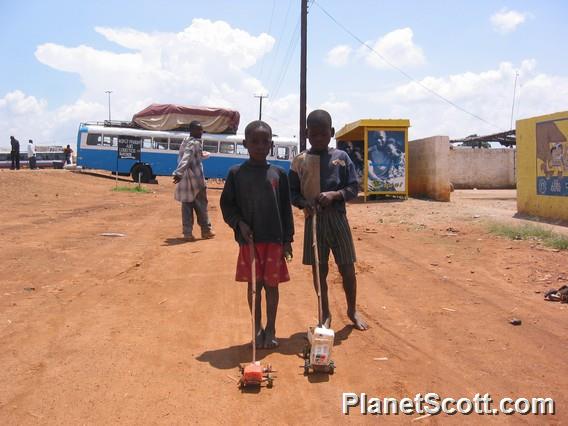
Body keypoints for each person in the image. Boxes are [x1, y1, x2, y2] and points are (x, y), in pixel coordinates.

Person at [289, 109, 368, 331]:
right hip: (313, 222)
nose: (318, 139)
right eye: (313, 135)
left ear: (331, 133)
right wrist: (304, 203)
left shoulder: (341, 158)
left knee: (347, 268)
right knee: (319, 270)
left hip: (338, 220)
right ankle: (325, 314)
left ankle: (352, 310)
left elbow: (353, 187)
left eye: (323, 134)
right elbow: (292, 193)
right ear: (306, 134)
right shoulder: (299, 161)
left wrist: (335, 195)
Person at [220, 120, 294, 349]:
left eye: (265, 142)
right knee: (255, 286)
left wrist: (287, 241)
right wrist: (238, 223)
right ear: (245, 144)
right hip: (249, 241)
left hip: (273, 240)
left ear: (271, 145)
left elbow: (285, 209)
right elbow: (227, 206)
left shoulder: (279, 174)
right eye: (255, 141)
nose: (260, 146)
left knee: (272, 286)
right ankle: (257, 327)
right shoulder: (236, 174)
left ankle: (271, 328)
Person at [172, 121, 215, 241]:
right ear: (192, 130)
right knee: (201, 205)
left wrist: (204, 154)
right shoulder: (194, 143)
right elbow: (187, 157)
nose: (201, 132)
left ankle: (187, 233)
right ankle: (206, 230)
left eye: (201, 130)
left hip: (186, 181)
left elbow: (188, 156)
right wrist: (178, 172)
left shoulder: (185, 141)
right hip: (196, 180)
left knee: (186, 206)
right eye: (198, 130)